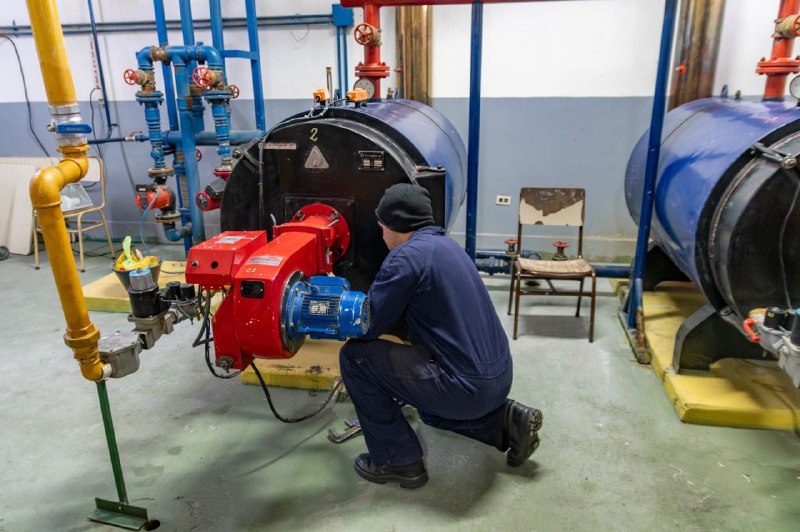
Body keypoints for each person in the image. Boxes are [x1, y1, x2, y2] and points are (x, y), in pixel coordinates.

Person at [339, 183, 543, 489]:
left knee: (355, 357)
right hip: (497, 379)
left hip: (465, 388)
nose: (381, 233)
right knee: (429, 412)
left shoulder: (406, 257)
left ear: (394, 225)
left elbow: (369, 325)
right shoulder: (448, 248)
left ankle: (398, 461)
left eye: (382, 226)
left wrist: (334, 308)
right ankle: (507, 422)